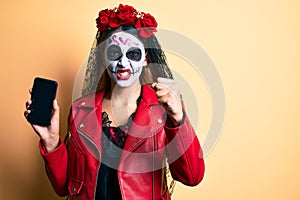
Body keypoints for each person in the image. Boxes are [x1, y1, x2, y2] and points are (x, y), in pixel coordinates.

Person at [24, 4, 205, 200]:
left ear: (145, 58)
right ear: (103, 57)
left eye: (133, 54)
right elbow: (65, 187)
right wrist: (51, 142)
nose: (123, 63)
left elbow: (192, 177)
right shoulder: (80, 110)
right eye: (114, 53)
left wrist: (178, 120)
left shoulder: (165, 107)